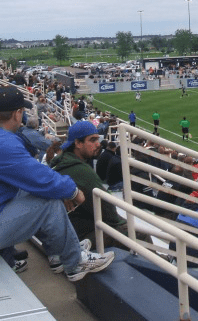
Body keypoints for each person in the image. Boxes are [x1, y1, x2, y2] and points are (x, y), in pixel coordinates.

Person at [0, 87, 114, 281]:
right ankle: (74, 262)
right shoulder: (5, 143)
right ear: (17, 113)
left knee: (45, 194)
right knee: (48, 201)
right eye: (23, 111)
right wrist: (72, 191)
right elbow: (38, 176)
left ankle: (62, 253)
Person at [51, 121, 146, 251]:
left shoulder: (62, 162)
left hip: (68, 230)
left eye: (98, 139)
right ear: (78, 143)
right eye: (92, 140)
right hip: (77, 235)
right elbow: (109, 212)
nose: (98, 144)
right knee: (139, 233)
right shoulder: (80, 170)